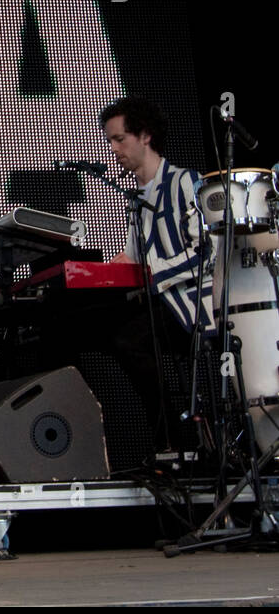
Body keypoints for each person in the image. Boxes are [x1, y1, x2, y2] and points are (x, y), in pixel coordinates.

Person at [101, 96, 214, 451]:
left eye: (120, 139)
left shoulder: (185, 182)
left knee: (129, 340)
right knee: (114, 331)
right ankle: (168, 438)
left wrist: (153, 273)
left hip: (193, 307)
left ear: (145, 136)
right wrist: (87, 274)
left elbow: (205, 252)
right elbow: (132, 257)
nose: (114, 149)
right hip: (161, 303)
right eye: (110, 141)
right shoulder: (137, 199)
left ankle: (171, 440)